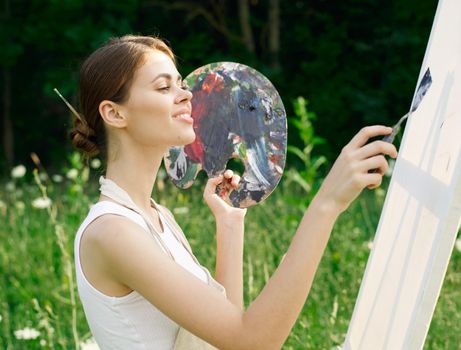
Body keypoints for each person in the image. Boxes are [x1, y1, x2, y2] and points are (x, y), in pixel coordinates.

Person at [68, 35, 398, 350]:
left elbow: (223, 339)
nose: (186, 95)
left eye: (181, 84)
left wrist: (230, 227)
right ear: (114, 113)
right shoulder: (112, 232)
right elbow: (253, 342)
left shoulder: (154, 217)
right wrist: (327, 204)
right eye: (163, 87)